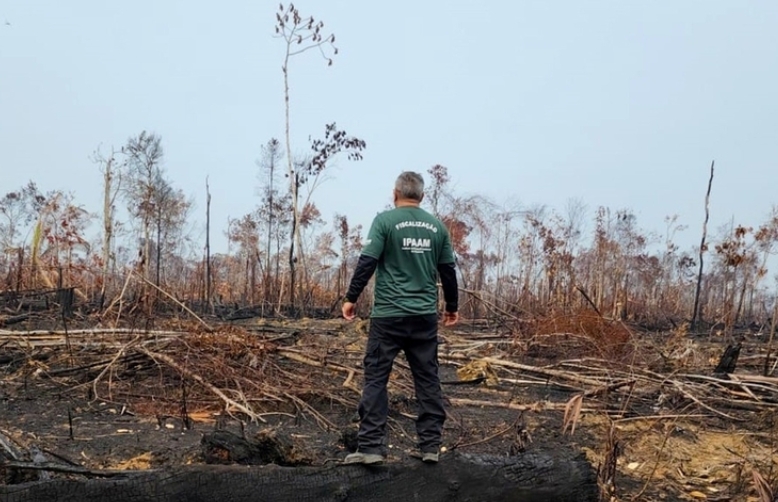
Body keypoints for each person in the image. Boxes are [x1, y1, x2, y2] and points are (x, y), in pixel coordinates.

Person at [341, 171, 459, 465]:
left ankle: (371, 447)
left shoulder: (384, 222)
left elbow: (367, 262)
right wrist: (452, 306)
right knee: (428, 379)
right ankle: (430, 446)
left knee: (376, 379)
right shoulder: (437, 227)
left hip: (388, 316)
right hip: (423, 317)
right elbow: (448, 270)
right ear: (422, 196)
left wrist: (351, 298)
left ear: (395, 194)